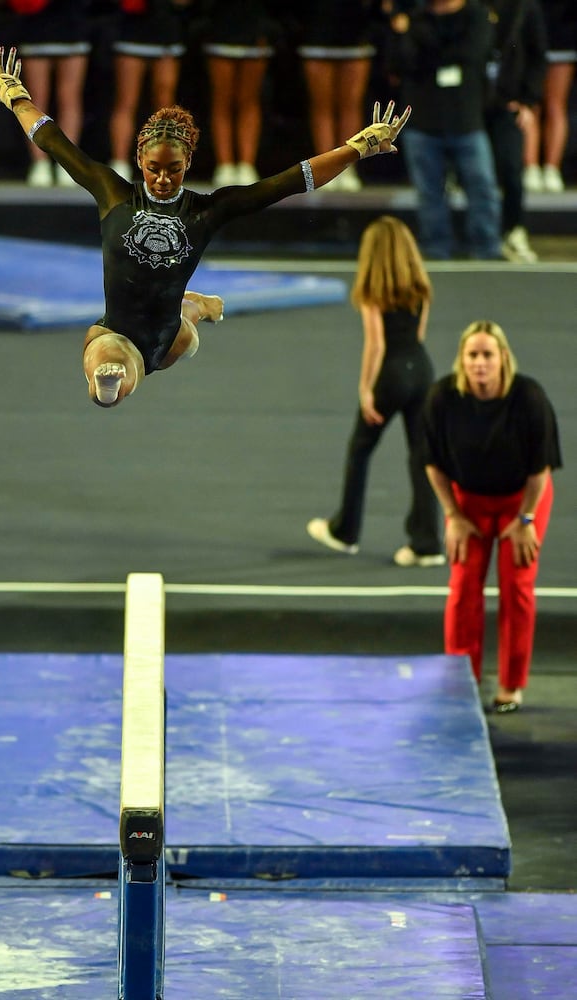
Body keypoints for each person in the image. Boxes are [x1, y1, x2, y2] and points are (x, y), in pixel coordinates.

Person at [0, 46, 411, 407]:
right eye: (153, 169)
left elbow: (289, 181)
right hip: (120, 331)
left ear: (188, 165)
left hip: (169, 340)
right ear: (139, 162)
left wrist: (357, 148)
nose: (163, 179)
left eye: (174, 170)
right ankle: (191, 308)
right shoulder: (112, 192)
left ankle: (193, 307)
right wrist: (13, 95)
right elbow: (54, 140)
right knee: (107, 376)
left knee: (127, 372)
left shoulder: (207, 210)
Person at [422, 320, 562, 712]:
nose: (480, 363)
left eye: (487, 355)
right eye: (472, 355)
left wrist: (527, 520)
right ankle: (460, 679)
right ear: (462, 360)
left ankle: (511, 684)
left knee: (517, 583)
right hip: (469, 501)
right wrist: (452, 515)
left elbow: (541, 471)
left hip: (524, 499)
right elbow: (432, 464)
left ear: (503, 358)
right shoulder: (442, 398)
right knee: (464, 582)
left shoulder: (529, 398)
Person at [307, 215, 444, 567]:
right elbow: (419, 335)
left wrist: (366, 388)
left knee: (361, 449)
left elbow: (377, 345)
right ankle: (427, 544)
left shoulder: (373, 292)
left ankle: (345, 531)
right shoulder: (421, 287)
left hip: (392, 374)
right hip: (422, 371)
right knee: (422, 457)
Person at [385, 0, 501, 260]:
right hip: (423, 121)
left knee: (481, 186)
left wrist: (419, 39)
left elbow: (472, 52)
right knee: (429, 192)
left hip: (466, 119)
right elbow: (401, 63)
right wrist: (415, 40)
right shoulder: (414, 16)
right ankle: (436, 248)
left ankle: (487, 248)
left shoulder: (476, 15)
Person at [484, 0, 547, 262]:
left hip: (508, 105)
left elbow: (537, 54)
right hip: (469, 106)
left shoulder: (525, 7)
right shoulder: (469, 5)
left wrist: (528, 101)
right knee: (476, 175)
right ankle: (483, 238)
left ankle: (514, 231)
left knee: (511, 169)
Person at [296, 0, 381, 192]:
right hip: (318, 29)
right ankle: (325, 168)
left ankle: (346, 167)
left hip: (356, 30)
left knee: (351, 105)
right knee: (321, 105)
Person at [6, 0, 91, 187]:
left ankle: (67, 163)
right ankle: (39, 163)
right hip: (36, 27)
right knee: (36, 100)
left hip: (73, 25)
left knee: (69, 98)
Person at [108, 0, 191, 183]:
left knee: (165, 106)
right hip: (130, 30)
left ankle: (165, 161)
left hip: (166, 32)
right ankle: (120, 162)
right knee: (126, 101)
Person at [199, 0, 278, 186]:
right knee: (222, 101)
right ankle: (224, 165)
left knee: (249, 101)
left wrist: (266, 30)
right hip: (220, 29)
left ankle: (246, 165)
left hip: (256, 31)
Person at [523, 0, 576, 193]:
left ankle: (552, 169)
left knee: (556, 105)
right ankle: (530, 168)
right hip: (528, 34)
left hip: (561, 34)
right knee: (530, 103)